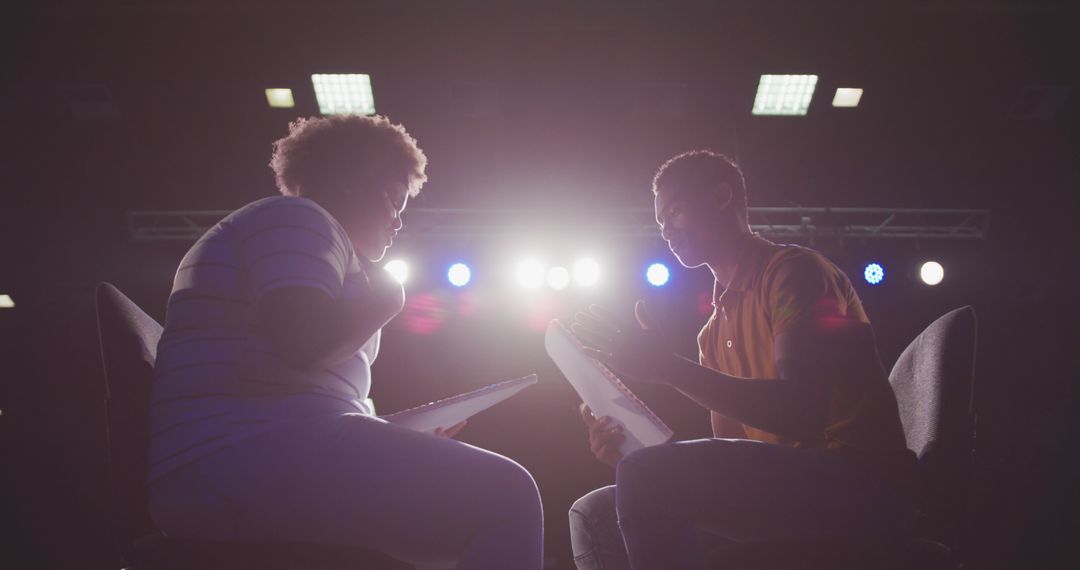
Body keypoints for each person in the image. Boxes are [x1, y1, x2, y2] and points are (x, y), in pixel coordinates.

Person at [147, 115, 543, 569]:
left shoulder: (297, 235)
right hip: (245, 457)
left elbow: (293, 377)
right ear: (351, 182)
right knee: (507, 493)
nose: (398, 220)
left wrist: (399, 439)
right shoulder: (298, 218)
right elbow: (300, 344)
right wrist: (388, 296)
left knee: (448, 538)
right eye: (394, 199)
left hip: (234, 461)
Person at [568, 150, 917, 569]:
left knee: (648, 476)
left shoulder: (793, 272)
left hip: (858, 481)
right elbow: (731, 452)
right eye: (660, 224)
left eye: (675, 213)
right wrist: (627, 451)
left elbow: (801, 412)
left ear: (721, 197)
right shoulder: (711, 334)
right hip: (789, 488)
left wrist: (667, 369)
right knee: (596, 511)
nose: (667, 233)